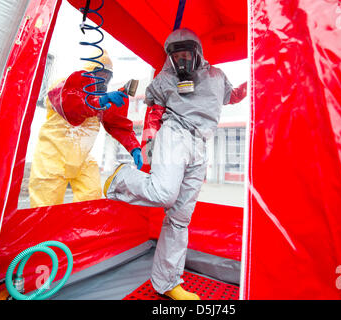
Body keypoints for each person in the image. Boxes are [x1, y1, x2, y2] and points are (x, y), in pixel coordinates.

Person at [103, 28, 246, 300]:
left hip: (203, 143)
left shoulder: (216, 77)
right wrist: (148, 144)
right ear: (170, 57)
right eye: (175, 55)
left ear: (197, 53)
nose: (181, 60)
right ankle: (121, 178)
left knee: (180, 218)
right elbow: (153, 107)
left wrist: (251, 86)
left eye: (186, 54)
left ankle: (168, 283)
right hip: (175, 134)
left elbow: (233, 96)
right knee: (163, 193)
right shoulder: (165, 78)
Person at [29, 50, 143, 208]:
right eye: (100, 74)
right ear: (90, 72)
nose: (103, 80)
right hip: (51, 159)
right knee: (44, 210)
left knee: (91, 203)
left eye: (106, 77)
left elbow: (118, 124)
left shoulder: (100, 101)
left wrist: (134, 147)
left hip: (82, 159)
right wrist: (101, 100)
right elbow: (72, 105)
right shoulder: (63, 86)